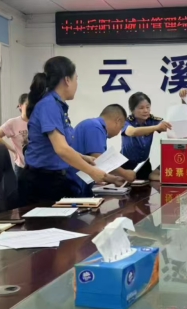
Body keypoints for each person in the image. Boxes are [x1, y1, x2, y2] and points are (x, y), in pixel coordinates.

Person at [19, 56, 120, 204]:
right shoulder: (49, 105)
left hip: (54, 180)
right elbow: (61, 149)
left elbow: (55, 146)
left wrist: (83, 157)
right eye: (76, 79)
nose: (76, 84)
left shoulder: (57, 105)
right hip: (41, 184)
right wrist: (91, 171)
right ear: (67, 80)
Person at [71, 104, 139, 195]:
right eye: (121, 127)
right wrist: (124, 173)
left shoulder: (93, 125)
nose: (119, 131)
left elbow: (94, 164)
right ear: (118, 121)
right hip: (73, 184)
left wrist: (114, 179)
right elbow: (99, 159)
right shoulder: (95, 127)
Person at [121, 92, 171, 180]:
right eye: (141, 108)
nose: (146, 110)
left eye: (148, 107)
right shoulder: (126, 121)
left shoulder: (152, 120)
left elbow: (170, 127)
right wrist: (156, 127)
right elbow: (132, 132)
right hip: (125, 166)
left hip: (144, 165)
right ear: (132, 110)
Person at [0, 93, 29, 170]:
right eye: (27, 104)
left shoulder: (38, 122)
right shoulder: (13, 123)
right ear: (20, 106)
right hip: (22, 167)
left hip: (38, 168)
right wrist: (13, 151)